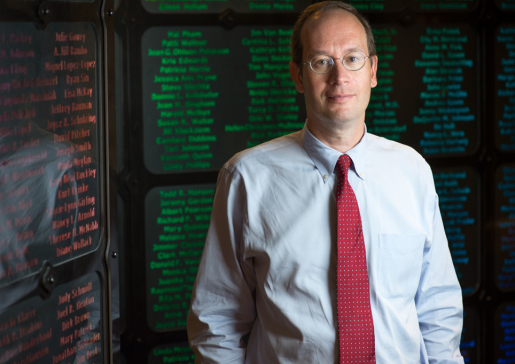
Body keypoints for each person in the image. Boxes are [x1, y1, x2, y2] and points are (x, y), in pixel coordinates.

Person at [187, 2, 464, 363]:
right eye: (321, 61)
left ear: (373, 71)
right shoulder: (246, 178)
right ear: (299, 76)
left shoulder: (412, 171)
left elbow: (437, 308)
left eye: (352, 59)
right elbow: (217, 321)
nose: (339, 77)